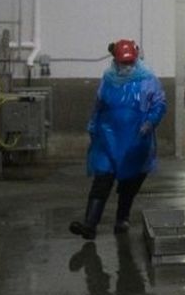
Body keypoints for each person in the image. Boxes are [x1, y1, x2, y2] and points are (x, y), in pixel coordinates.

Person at [70, 39, 167, 239]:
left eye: (130, 63)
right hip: (108, 139)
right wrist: (93, 125)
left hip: (135, 140)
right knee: (102, 179)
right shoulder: (108, 78)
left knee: (129, 182)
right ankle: (90, 224)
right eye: (123, 63)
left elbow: (159, 104)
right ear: (115, 61)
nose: (127, 67)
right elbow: (99, 105)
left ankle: (122, 218)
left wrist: (149, 123)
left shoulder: (147, 79)